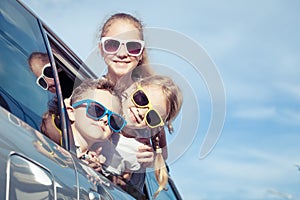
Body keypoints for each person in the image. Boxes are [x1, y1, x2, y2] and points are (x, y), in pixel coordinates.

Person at [105, 75, 183, 198]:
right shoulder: (100, 109)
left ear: (154, 127)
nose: (141, 112)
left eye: (152, 116)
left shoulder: (138, 154)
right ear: (132, 89)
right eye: (141, 99)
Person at [98, 12, 154, 91]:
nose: (122, 54)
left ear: (141, 53)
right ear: (101, 49)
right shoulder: (86, 95)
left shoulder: (152, 97)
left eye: (132, 46)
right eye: (113, 45)